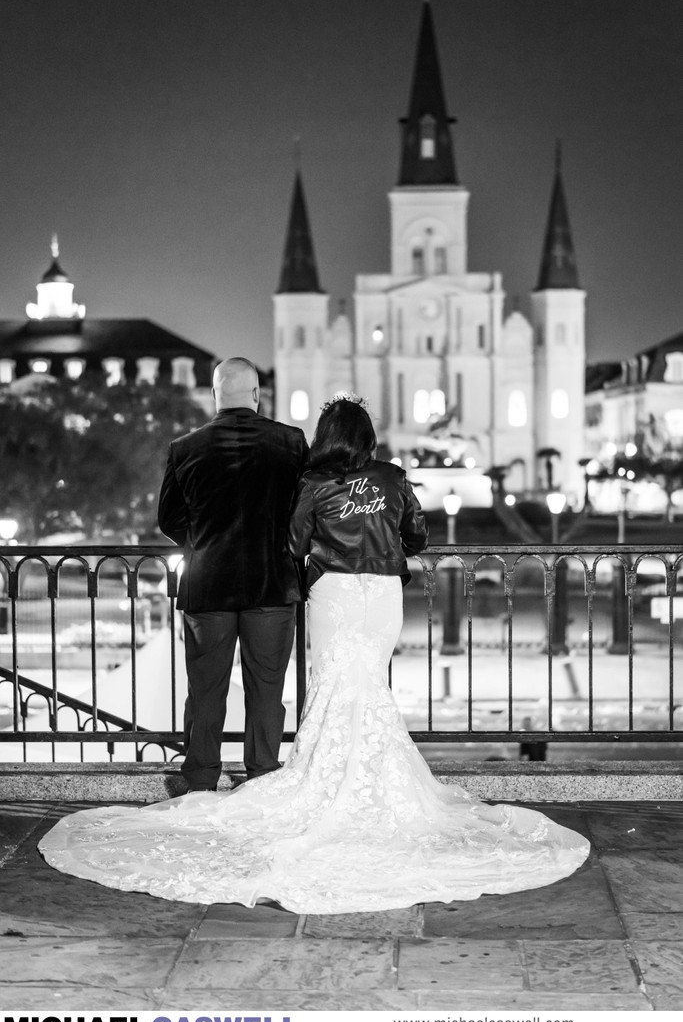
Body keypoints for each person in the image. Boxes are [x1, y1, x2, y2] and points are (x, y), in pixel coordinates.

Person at [39, 393, 589, 914]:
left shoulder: (313, 483)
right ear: (369, 437)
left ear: (326, 437)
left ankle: (294, 777)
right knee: (366, 684)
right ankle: (360, 775)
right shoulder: (392, 479)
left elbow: (295, 542)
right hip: (384, 597)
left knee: (328, 682)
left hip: (334, 593)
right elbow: (415, 536)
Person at [157, 356, 308, 789]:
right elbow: (304, 512)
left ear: (214, 396)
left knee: (206, 689)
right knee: (265, 689)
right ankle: (261, 774)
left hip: (207, 585)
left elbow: (169, 519)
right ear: (258, 395)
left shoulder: (185, 448)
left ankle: (202, 776)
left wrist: (204, 540)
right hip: (272, 583)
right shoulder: (292, 442)